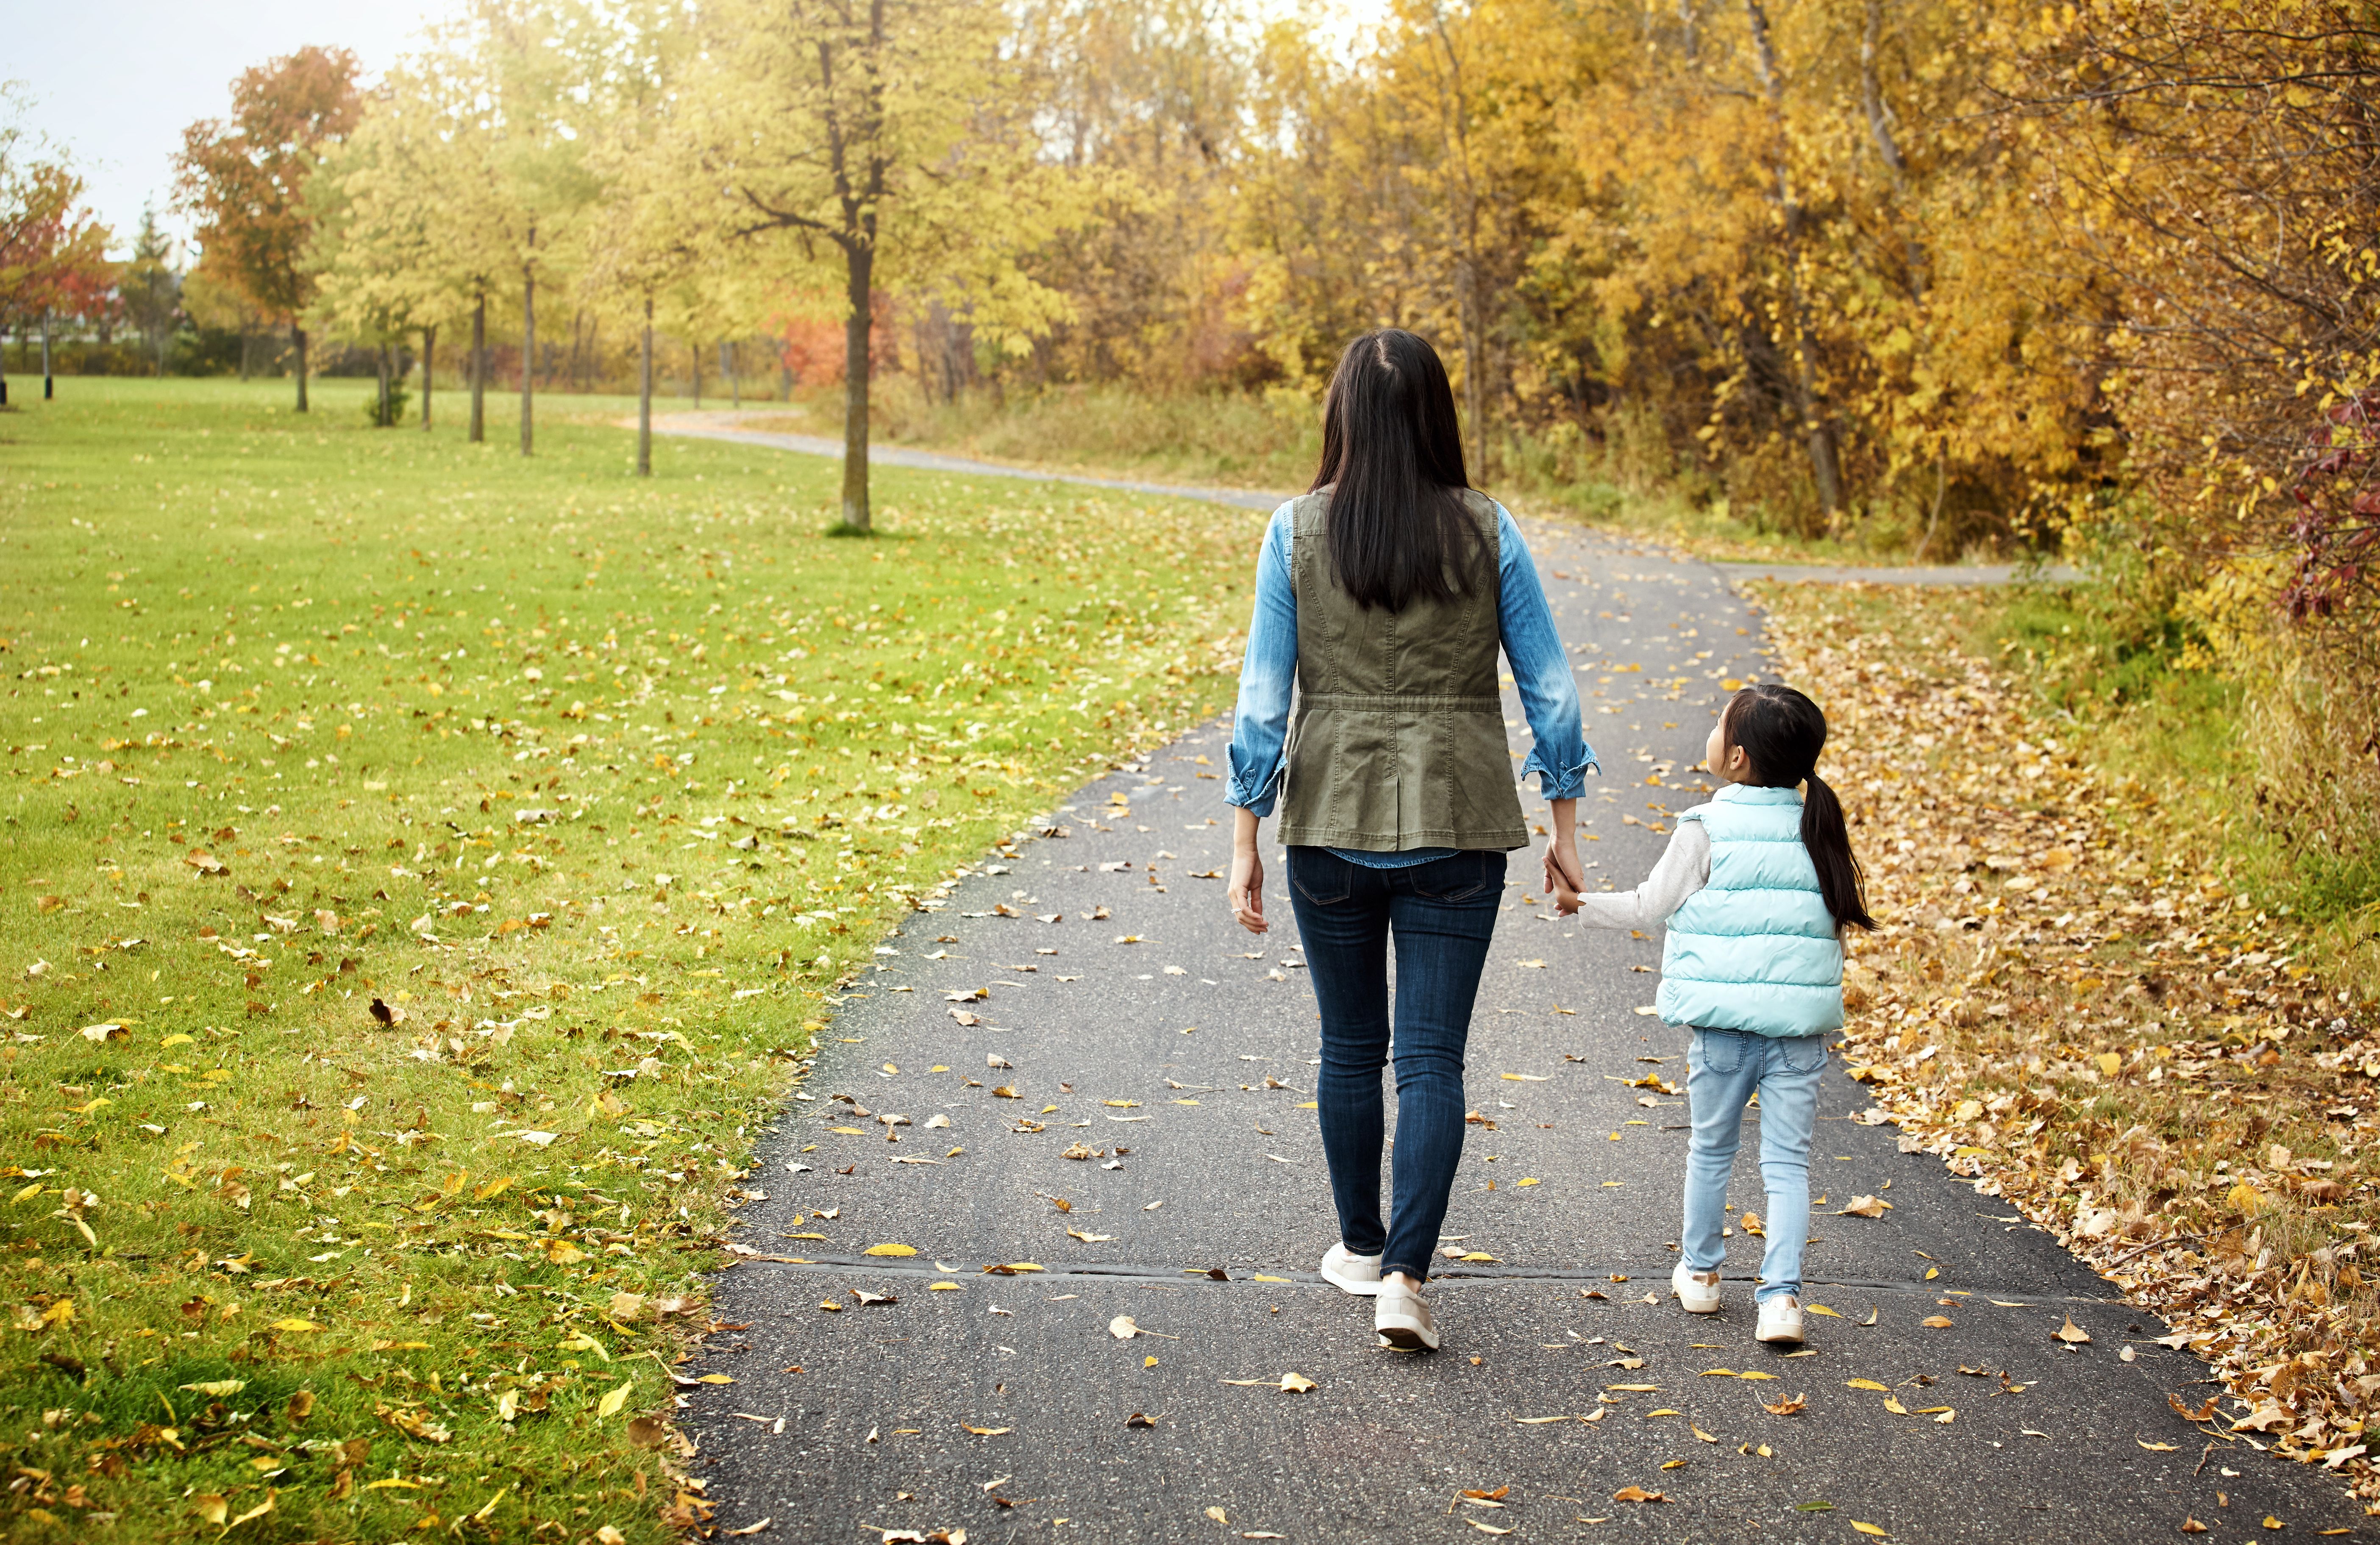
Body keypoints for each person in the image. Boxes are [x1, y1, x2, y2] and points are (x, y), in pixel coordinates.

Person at [1225, 328, 1593, 1353]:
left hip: (1329, 822)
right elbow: (1551, 688)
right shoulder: (1489, 528)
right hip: (1460, 819)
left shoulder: (1295, 530)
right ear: (1439, 413)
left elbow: (1263, 699)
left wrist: (1245, 832)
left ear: (1341, 413)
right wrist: (1564, 823)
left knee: (1351, 1046)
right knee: (1432, 1058)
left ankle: (1358, 1244)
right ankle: (1406, 1274)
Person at [1552, 683, 1876, 1345]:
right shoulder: (1820, 829)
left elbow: (1651, 905)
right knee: (1787, 1165)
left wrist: (1580, 903)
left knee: (1712, 1150)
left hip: (1724, 1030)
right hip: (1797, 1035)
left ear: (1735, 758)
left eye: (1716, 724)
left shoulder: (1706, 827)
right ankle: (1781, 1299)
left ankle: (1700, 1276)